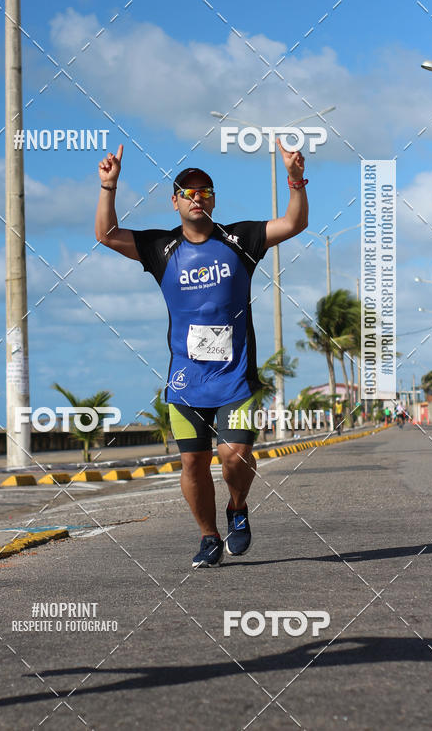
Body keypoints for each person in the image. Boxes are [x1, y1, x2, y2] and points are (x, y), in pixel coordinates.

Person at [95, 140, 308, 567]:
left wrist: (296, 179)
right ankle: (209, 537)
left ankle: (237, 508)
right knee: (192, 462)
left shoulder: (240, 238)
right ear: (175, 201)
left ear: (213, 199)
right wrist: (109, 187)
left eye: (205, 191)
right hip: (186, 380)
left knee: (236, 456)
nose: (197, 198)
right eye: (189, 192)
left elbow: (293, 223)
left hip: (235, 377)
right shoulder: (160, 248)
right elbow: (106, 235)